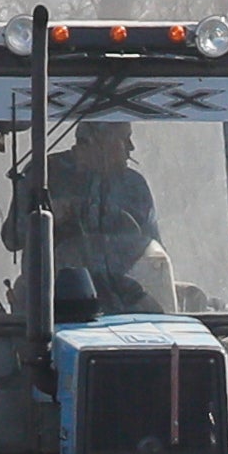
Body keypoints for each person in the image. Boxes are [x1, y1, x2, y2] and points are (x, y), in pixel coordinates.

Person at [48, 118, 173, 316]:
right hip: (59, 305)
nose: (131, 147)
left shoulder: (134, 186)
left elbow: (154, 253)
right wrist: (50, 217)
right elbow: (11, 237)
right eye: (125, 138)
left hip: (127, 299)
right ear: (96, 142)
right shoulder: (46, 175)